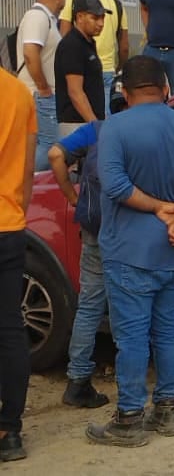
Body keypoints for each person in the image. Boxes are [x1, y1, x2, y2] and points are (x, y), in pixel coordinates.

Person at [86, 56, 174, 447]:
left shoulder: (115, 126)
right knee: (166, 331)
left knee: (131, 337)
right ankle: (166, 412)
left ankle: (129, 418)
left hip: (128, 251)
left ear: (125, 93)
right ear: (166, 89)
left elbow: (114, 185)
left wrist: (155, 207)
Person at [47, 80, 128, 410]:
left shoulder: (97, 129)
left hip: (94, 228)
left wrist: (72, 197)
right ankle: (130, 385)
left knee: (91, 304)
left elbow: (54, 154)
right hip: (126, 230)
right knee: (126, 303)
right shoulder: (143, 131)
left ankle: (78, 380)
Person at [0, 68, 37, 463]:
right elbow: (27, 169)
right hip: (8, 224)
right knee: (9, 327)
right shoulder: (18, 93)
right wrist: (17, 212)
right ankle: (9, 429)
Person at [59, 0, 129, 114]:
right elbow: (124, 47)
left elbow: (64, 36)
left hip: (77, 71)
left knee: (77, 117)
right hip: (107, 71)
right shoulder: (116, 5)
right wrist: (119, 67)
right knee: (103, 121)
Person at [15, 0, 65, 171]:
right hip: (39, 94)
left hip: (42, 93)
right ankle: (28, 183)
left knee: (42, 145)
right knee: (49, 147)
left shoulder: (47, 18)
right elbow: (30, 54)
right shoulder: (37, 17)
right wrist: (44, 88)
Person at [54, 0, 109, 137]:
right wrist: (95, 125)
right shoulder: (72, 45)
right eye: (95, 18)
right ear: (79, 17)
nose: (101, 23)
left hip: (88, 123)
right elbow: (75, 92)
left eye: (103, 18)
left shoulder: (88, 44)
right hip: (76, 124)